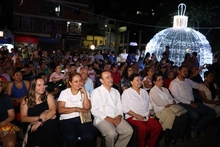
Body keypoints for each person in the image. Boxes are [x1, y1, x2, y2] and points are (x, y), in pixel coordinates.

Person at [169, 66, 216, 141]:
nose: (186, 73)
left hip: (192, 102)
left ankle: (196, 128)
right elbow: (177, 97)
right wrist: (190, 103)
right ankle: (196, 128)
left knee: (212, 113)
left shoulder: (188, 81)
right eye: (184, 71)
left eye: (187, 71)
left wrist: (206, 83)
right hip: (182, 103)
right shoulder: (174, 83)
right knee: (195, 116)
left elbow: (197, 85)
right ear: (179, 71)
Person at [90, 70, 133, 147]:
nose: (110, 79)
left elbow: (120, 106)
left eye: (111, 76)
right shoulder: (96, 92)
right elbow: (93, 110)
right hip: (102, 119)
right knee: (112, 133)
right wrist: (107, 118)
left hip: (116, 117)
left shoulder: (115, 91)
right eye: (107, 77)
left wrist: (119, 116)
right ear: (101, 81)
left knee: (129, 131)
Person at [122, 73, 162, 147]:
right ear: (131, 82)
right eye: (137, 80)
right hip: (132, 116)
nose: (139, 82)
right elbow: (125, 108)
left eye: (140, 80)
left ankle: (150, 144)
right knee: (144, 128)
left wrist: (152, 112)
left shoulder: (144, 92)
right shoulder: (127, 92)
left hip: (146, 114)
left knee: (158, 127)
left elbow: (149, 104)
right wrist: (136, 115)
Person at [20, 76, 61, 147]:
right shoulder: (26, 99)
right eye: (39, 85)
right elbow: (23, 118)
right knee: (50, 127)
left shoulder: (48, 96)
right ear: (33, 87)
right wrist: (38, 118)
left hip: (47, 122)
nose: (42, 87)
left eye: (43, 84)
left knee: (50, 124)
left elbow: (53, 111)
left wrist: (40, 121)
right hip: (32, 124)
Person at [149, 73, 189, 147]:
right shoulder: (153, 91)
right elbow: (159, 102)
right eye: (159, 80)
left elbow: (171, 99)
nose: (161, 81)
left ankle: (177, 135)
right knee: (177, 118)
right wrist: (171, 103)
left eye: (162, 79)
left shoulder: (165, 89)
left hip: (170, 107)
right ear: (154, 82)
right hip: (160, 110)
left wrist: (171, 103)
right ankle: (172, 137)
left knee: (185, 117)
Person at [57, 73, 95, 147]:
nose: (78, 83)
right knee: (71, 138)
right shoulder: (65, 93)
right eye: (76, 81)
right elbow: (60, 110)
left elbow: (87, 108)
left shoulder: (85, 92)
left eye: (80, 81)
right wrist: (76, 109)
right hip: (67, 119)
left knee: (89, 137)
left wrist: (84, 93)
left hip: (82, 119)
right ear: (70, 83)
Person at [0, 81, 17, 147]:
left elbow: (12, 115)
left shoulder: (5, 98)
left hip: (4, 124)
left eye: (0, 86)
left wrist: (2, 124)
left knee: (10, 144)